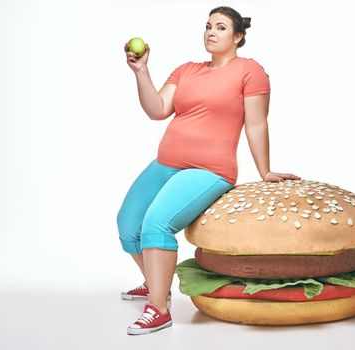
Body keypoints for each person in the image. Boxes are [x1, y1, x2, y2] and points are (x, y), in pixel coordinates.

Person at [117, 6, 301, 335]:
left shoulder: (250, 71)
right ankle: (155, 284)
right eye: (207, 26)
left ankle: (158, 309)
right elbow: (158, 109)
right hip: (165, 164)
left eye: (220, 27)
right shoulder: (186, 70)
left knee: (156, 224)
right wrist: (141, 72)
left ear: (238, 37)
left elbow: (256, 123)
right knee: (128, 224)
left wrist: (265, 170)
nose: (210, 32)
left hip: (208, 170)